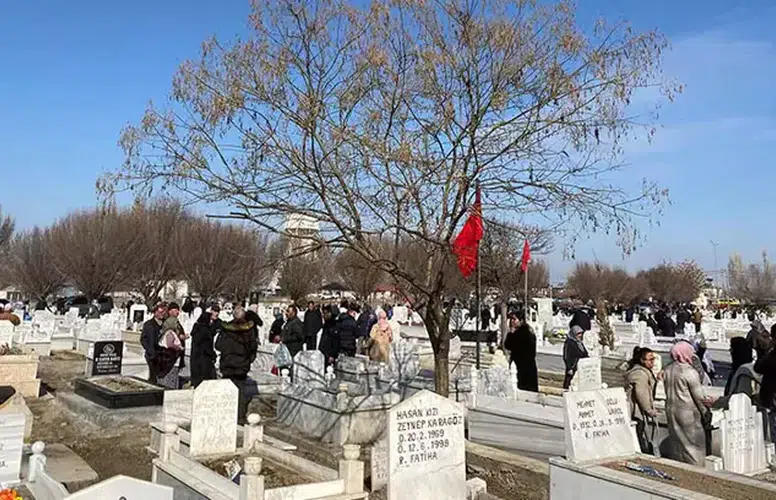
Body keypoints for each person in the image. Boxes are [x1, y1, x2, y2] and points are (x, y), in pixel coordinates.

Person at [664, 341, 711, 466]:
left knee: (677, 443)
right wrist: (706, 412)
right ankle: (696, 468)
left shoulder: (668, 370)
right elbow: (699, 397)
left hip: (671, 410)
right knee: (694, 444)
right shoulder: (689, 372)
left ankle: (680, 466)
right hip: (688, 412)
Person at [216, 306, 259, 423]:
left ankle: (226, 413)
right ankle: (240, 416)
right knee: (240, 390)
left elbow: (218, 345)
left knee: (227, 389)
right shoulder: (249, 329)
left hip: (227, 363)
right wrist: (249, 359)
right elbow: (253, 347)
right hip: (241, 364)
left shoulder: (226, 328)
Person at [625, 347, 658, 454]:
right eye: (650, 359)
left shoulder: (643, 371)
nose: (653, 362)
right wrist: (648, 409)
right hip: (636, 411)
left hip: (638, 410)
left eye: (654, 359)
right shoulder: (640, 374)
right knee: (638, 435)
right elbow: (641, 393)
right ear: (642, 360)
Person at [503, 311, 539, 392]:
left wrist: (511, 334)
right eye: (511, 319)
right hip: (528, 365)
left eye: (514, 319)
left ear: (521, 320)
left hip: (521, 365)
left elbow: (508, 345)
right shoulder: (529, 331)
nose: (512, 321)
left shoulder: (520, 333)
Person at [190, 305, 221, 387]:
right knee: (207, 382)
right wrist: (213, 355)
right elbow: (207, 347)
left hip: (196, 359)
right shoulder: (205, 331)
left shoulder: (197, 328)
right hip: (204, 360)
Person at [140, 304, 166, 383]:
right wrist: (149, 350)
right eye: (160, 312)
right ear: (155, 313)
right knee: (153, 376)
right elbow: (143, 339)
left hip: (163, 354)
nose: (162, 314)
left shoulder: (166, 324)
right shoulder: (148, 324)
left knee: (162, 376)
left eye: (163, 312)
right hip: (152, 354)